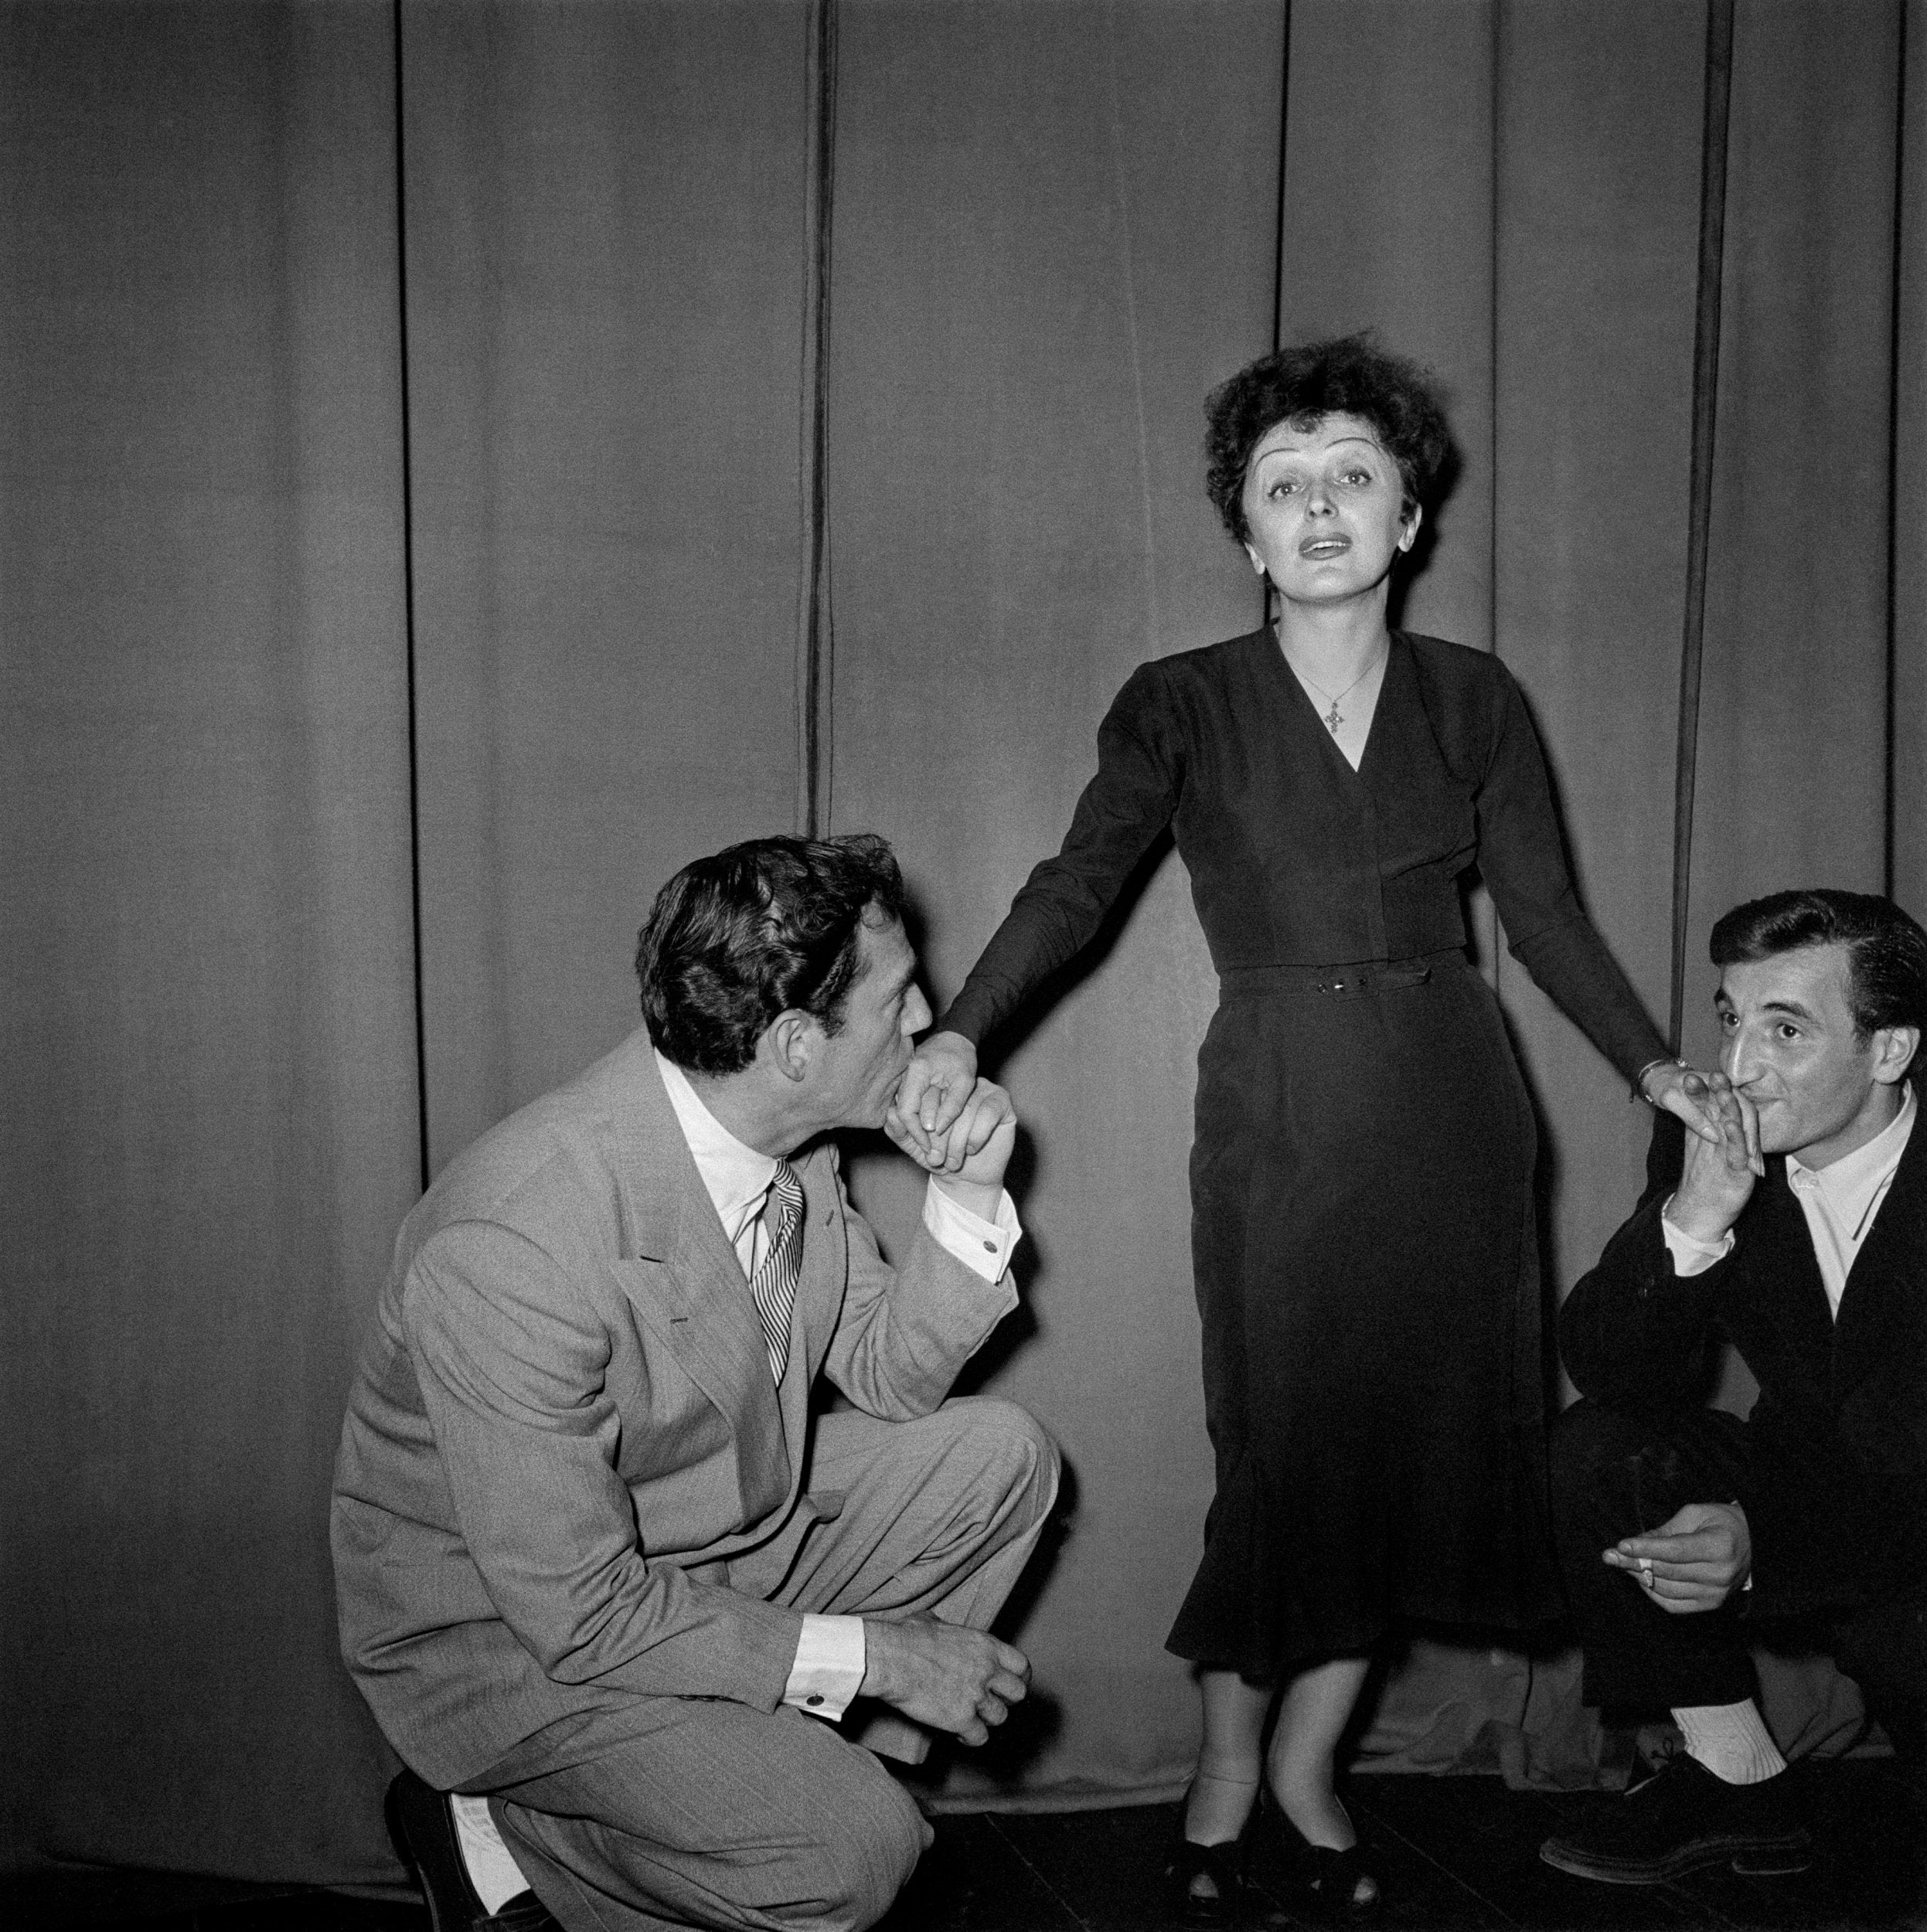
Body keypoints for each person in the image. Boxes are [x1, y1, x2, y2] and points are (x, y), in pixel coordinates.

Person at [895, 334, 1717, 1916]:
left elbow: (1539, 913)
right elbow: (1074, 884)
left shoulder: (1473, 698)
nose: (1320, 506)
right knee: (1281, 1447)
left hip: (1452, 1101)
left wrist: (1651, 1068)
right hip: (1276, 1098)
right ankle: (1222, 1765)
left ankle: (1301, 1766)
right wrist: (959, 1022)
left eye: (1353, 476)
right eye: (1284, 484)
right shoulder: (1178, 703)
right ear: (1245, 529)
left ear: (1407, 517)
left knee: (1417, 1452)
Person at [332, 833, 1060, 1932]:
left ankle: (739, 1773)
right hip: (518, 1643)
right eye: (901, 1000)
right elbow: (576, 1615)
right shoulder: (513, 1243)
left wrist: (967, 1192)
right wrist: (880, 1660)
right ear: (796, 1045)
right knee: (850, 1852)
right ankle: (504, 1823)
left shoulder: (779, 1136)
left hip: (702, 1550)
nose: (928, 1025)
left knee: (998, 1457)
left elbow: (884, 1375)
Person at [1540, 888, 1925, 1886]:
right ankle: (1736, 1782)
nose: (1740, 1067)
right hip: (1809, 1479)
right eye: (1730, 1019)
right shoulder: (1703, 1138)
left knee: (1902, 1640)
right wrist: (1695, 1221)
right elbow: (1607, 1368)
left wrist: (1763, 1543)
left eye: (1785, 1029)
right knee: (1596, 1449)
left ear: (1887, 1052)